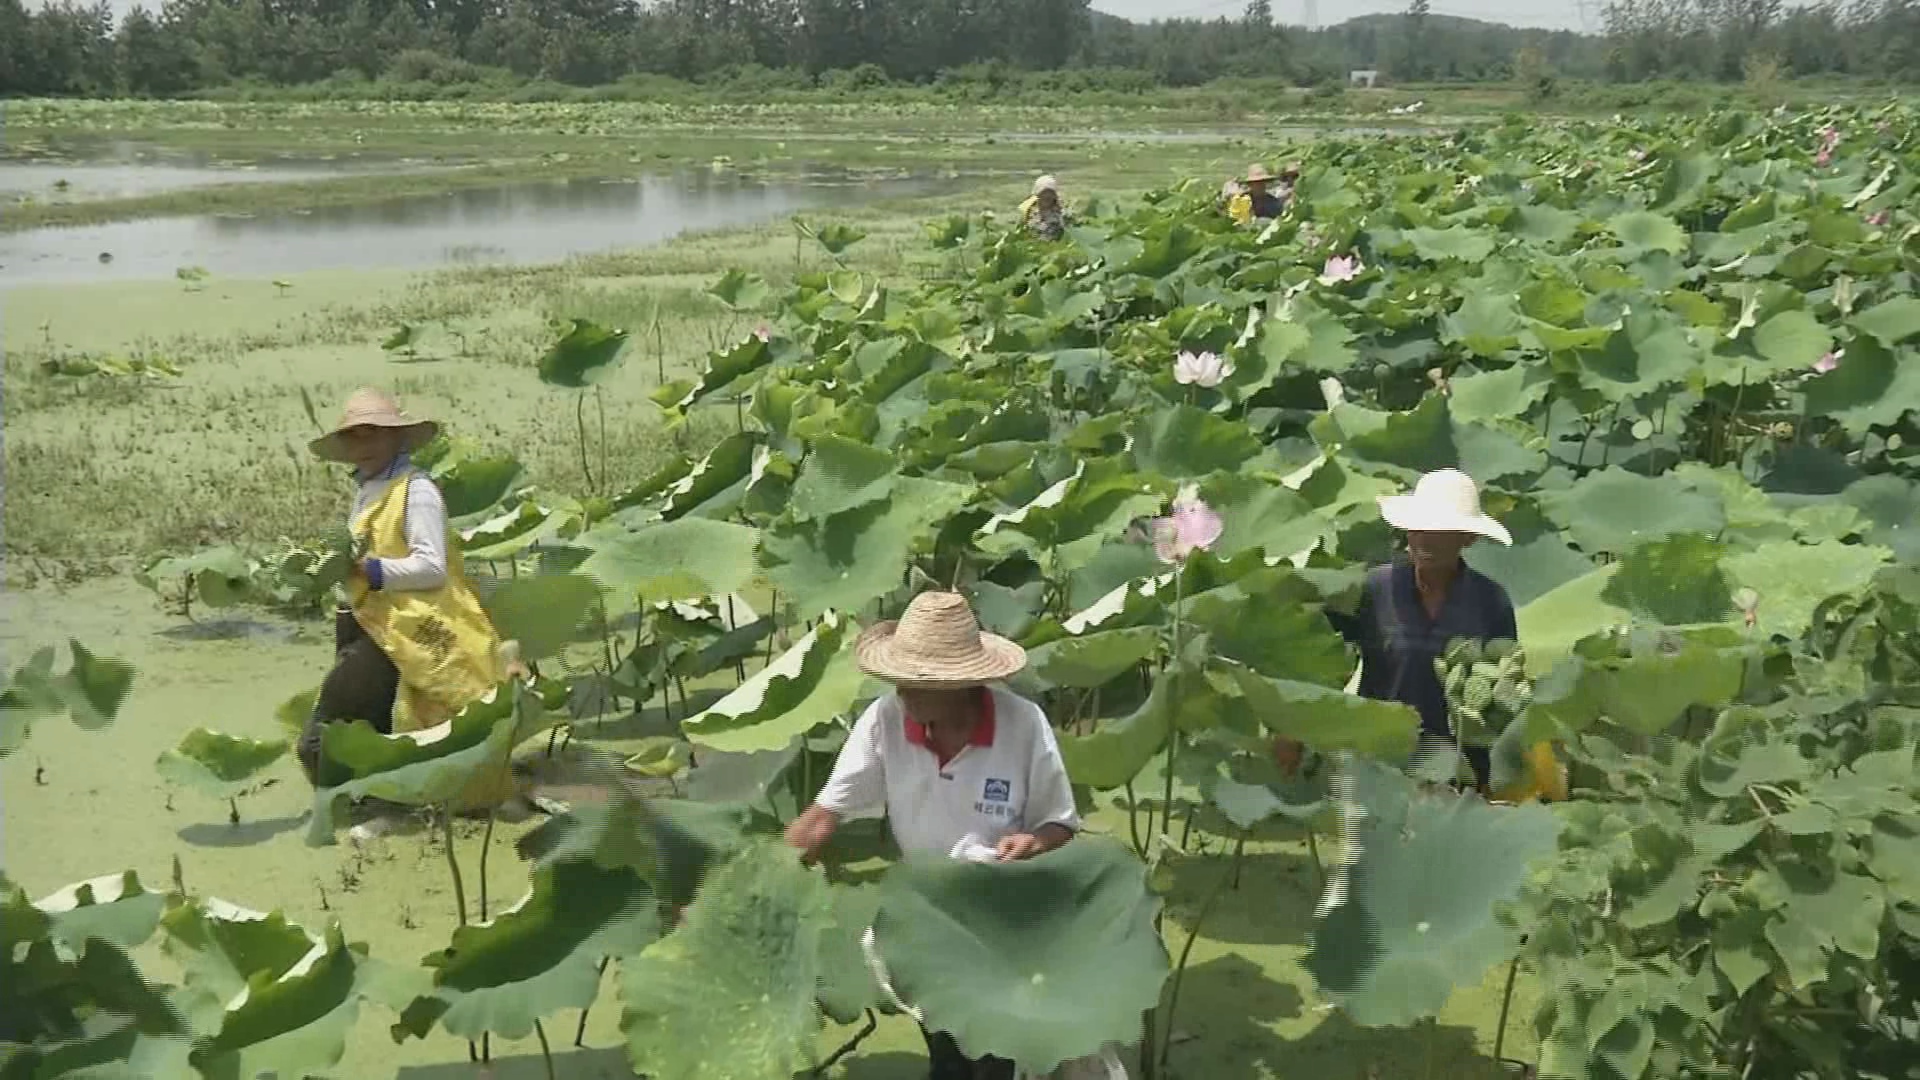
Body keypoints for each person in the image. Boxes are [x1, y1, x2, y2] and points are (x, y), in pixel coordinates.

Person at [784, 590, 1080, 1080]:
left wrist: (1035, 842)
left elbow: (1061, 824)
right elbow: (822, 817)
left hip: (1003, 921)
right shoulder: (884, 721)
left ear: (961, 683)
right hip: (926, 919)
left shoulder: (1024, 725)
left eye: (917, 683)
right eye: (898, 679)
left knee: (993, 1061)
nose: (902, 692)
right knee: (947, 1059)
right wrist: (751, 884)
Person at [297, 388, 532, 836]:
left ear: (397, 438)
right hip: (368, 622)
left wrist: (364, 568)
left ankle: (385, 813)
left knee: (319, 740)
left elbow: (431, 566)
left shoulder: (417, 490)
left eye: (374, 433)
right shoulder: (368, 489)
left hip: (409, 628)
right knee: (379, 724)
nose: (363, 444)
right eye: (355, 436)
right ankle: (392, 806)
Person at [1273, 469, 1557, 796]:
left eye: (1440, 531)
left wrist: (1496, 771)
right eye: (1419, 528)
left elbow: (1505, 691)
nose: (1425, 540)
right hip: (1378, 761)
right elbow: (1314, 655)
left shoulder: (1490, 600)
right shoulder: (1371, 589)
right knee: (1363, 846)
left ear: (1468, 538)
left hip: (1459, 768)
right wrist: (1290, 727)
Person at [1227, 163, 1297, 225]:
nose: (1260, 185)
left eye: (1262, 181)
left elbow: (1278, 220)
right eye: (1256, 182)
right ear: (1250, 184)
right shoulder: (1241, 199)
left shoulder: (1273, 202)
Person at [1019, 174, 1069, 241]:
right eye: (1043, 192)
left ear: (1055, 195)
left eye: (1050, 192)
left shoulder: (1062, 213)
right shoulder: (1030, 212)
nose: (1047, 196)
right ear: (1037, 194)